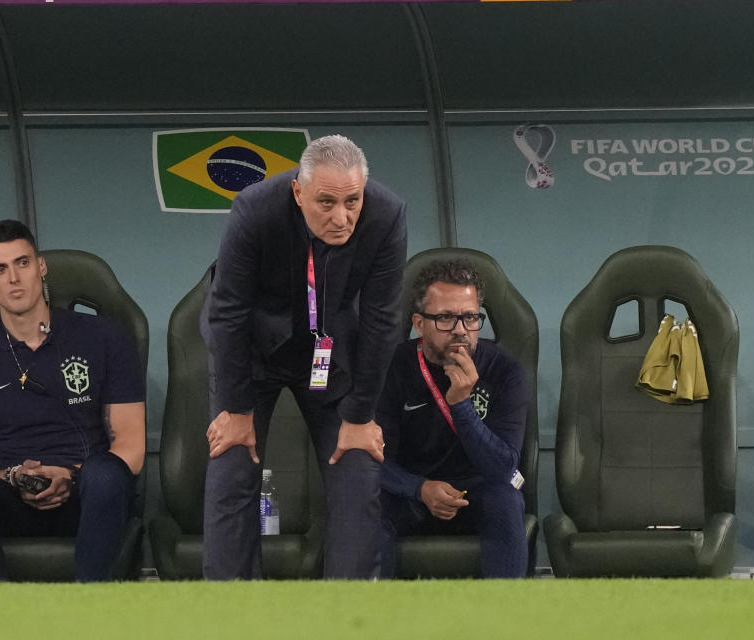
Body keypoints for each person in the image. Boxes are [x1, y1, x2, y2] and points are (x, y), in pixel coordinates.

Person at [201, 134, 407, 579]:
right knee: (232, 465)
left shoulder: (387, 215)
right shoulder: (255, 209)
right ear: (299, 191)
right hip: (252, 350)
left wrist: (360, 417)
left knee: (358, 468)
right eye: (326, 202)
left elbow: (382, 320)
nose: (342, 217)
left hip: (329, 352)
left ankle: (349, 616)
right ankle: (228, 614)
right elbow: (227, 313)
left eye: (352, 201)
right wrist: (236, 411)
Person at [0, 220, 146, 581]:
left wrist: (69, 475)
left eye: (22, 263)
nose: (14, 278)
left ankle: (92, 614)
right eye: (0, 269)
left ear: (41, 266)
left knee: (108, 472)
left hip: (87, 494)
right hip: (8, 497)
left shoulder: (105, 338)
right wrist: (17, 476)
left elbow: (132, 445)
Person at [376, 259, 528, 578]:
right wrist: (419, 488)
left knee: (506, 501)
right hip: (411, 491)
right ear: (419, 323)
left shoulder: (506, 371)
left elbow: (503, 467)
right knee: (367, 504)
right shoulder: (391, 368)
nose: (460, 330)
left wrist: (461, 405)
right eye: (445, 317)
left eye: (470, 317)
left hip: (480, 490)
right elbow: (374, 461)